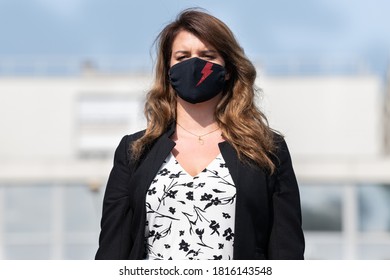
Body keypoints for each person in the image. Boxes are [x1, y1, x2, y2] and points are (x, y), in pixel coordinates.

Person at [95, 8, 304, 260]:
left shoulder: (266, 148)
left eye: (207, 55)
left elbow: (286, 249)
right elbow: (112, 249)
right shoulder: (135, 151)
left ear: (227, 69)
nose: (194, 65)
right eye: (182, 57)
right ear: (168, 70)